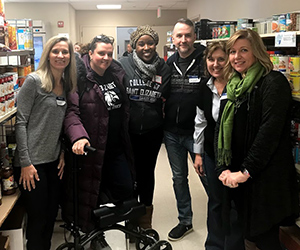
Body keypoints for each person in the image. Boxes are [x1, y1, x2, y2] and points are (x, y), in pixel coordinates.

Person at [217, 29, 299, 250]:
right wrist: (222, 166)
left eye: (244, 50)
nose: (237, 57)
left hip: (265, 179)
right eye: (232, 51)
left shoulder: (273, 82)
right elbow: (221, 128)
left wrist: (245, 172)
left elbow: (268, 134)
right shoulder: (234, 84)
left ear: (258, 52)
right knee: (248, 234)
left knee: (266, 237)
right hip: (239, 176)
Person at [62, 34, 134, 250]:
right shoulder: (80, 78)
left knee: (126, 188)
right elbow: (71, 112)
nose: (105, 57)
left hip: (117, 147)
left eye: (109, 54)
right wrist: (79, 136)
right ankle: (95, 235)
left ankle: (102, 227)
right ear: (90, 53)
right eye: (101, 53)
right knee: (91, 195)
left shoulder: (116, 74)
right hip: (92, 151)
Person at [14, 35, 77, 250]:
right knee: (38, 219)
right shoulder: (34, 81)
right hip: (31, 163)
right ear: (47, 54)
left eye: (65, 52)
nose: (60, 55)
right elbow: (20, 123)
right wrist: (25, 163)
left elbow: (61, 124)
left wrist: (61, 152)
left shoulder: (67, 84)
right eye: (56, 51)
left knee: (51, 217)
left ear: (70, 56)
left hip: (53, 162)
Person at [193, 41, 245, 250]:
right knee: (215, 201)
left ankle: (233, 246)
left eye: (221, 59)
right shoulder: (204, 88)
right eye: (211, 59)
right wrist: (198, 154)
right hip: (212, 154)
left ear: (229, 61)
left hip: (237, 156)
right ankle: (214, 245)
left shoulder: (241, 86)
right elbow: (200, 122)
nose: (215, 64)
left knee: (234, 204)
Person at [119, 25, 171, 230]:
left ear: (156, 44)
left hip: (152, 130)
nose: (146, 47)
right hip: (128, 131)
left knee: (147, 173)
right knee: (130, 174)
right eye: (141, 43)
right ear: (133, 46)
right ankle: (132, 218)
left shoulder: (164, 68)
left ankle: (145, 220)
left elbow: (165, 96)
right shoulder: (122, 64)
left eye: (150, 43)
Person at [164, 17, 208, 241]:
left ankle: (226, 219)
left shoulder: (206, 60)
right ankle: (185, 221)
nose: (183, 40)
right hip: (172, 133)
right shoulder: (168, 63)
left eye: (187, 35)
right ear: (173, 38)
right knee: (179, 178)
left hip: (198, 133)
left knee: (208, 177)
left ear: (194, 37)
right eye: (179, 36)